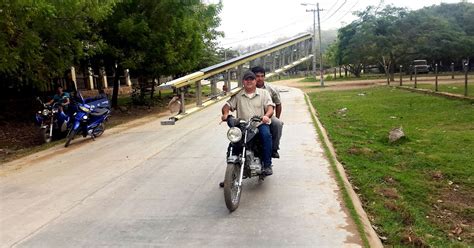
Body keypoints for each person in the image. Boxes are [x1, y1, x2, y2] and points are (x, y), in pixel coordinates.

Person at [221, 71, 275, 176]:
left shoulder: (264, 93)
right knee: (233, 144)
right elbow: (226, 106)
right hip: (243, 126)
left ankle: (267, 165)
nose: (249, 81)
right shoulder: (238, 95)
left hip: (259, 124)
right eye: (247, 79)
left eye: (252, 79)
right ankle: (230, 175)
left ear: (255, 81)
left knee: (266, 135)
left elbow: (270, 108)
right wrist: (225, 114)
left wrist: (266, 116)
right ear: (243, 82)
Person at [251, 66, 283, 158]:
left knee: (278, 124)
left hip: (267, 115)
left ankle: (274, 149)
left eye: (262, 76)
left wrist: (276, 117)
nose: (260, 78)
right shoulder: (248, 87)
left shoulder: (271, 89)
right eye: (257, 76)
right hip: (251, 115)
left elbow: (278, 104)